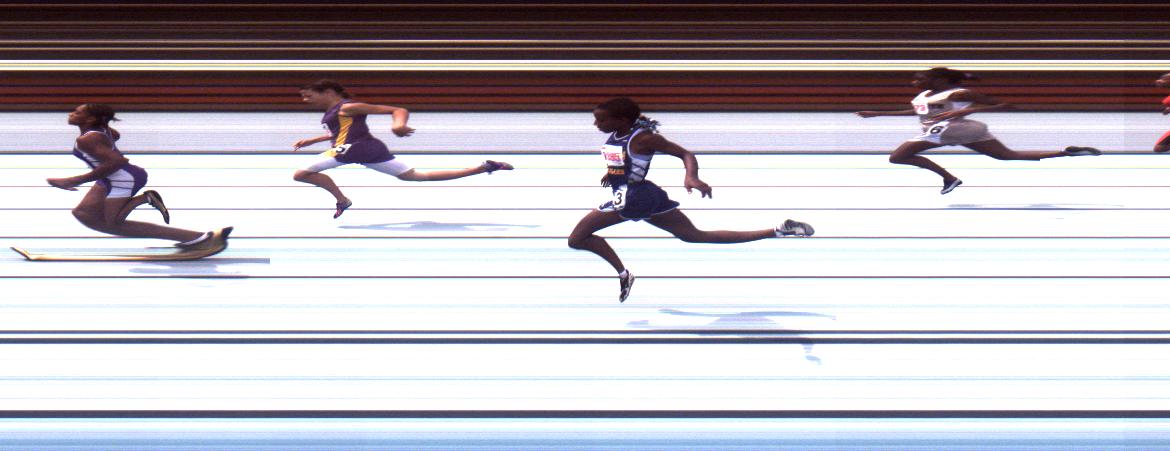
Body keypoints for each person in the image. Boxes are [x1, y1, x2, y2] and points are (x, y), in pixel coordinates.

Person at [568, 97, 815, 302]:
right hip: (645, 195)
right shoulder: (621, 134)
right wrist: (613, 173)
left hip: (634, 198)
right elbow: (627, 160)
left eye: (601, 120)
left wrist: (691, 177)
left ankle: (624, 274)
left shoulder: (644, 138)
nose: (596, 124)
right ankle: (778, 230)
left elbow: (685, 154)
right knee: (694, 235)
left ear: (622, 120)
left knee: (577, 238)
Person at [857, 67, 1099, 194]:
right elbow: (918, 113)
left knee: (898, 157)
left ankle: (949, 178)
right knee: (1007, 156)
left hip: (952, 128)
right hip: (958, 130)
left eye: (919, 79)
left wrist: (963, 111)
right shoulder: (923, 95)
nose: (915, 82)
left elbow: (1005, 105)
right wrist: (879, 113)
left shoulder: (958, 93)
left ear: (939, 80)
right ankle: (1067, 152)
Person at [291, 80, 513, 218]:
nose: (305, 100)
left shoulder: (348, 107)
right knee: (416, 176)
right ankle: (484, 167)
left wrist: (398, 125)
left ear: (329, 92)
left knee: (301, 174)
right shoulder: (333, 113)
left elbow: (397, 110)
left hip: (352, 149)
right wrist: (313, 140)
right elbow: (340, 132)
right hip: (364, 150)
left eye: (309, 95)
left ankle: (342, 200)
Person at [46, 104, 231, 253]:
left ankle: (193, 234)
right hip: (113, 178)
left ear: (90, 119)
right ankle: (194, 237)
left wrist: (73, 180)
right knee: (84, 214)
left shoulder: (87, 139)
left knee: (113, 223)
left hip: (122, 180)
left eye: (77, 112)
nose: (71, 114)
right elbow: (114, 137)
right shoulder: (101, 132)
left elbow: (117, 161)